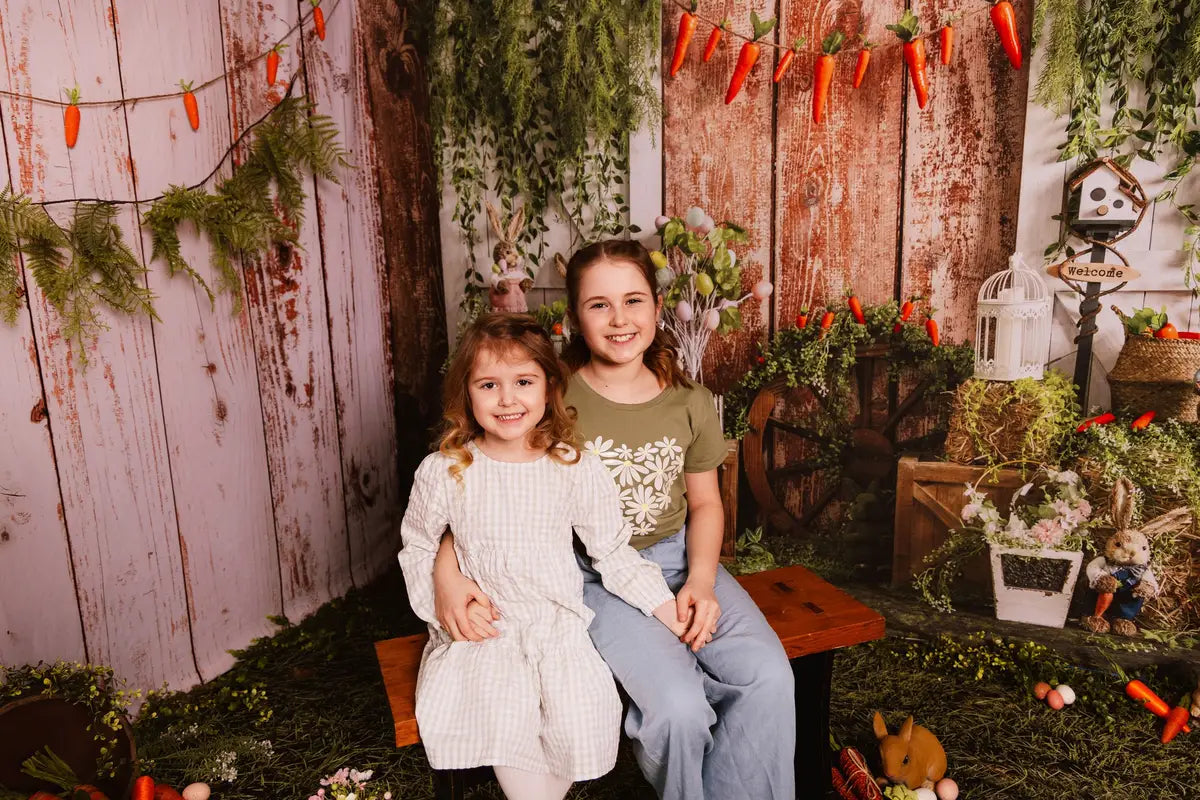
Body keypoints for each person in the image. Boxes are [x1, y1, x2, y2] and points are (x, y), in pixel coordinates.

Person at [432, 240, 796, 800]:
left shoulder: (691, 401)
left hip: (679, 560)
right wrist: (447, 574)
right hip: (586, 575)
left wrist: (701, 581)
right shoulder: (548, 394)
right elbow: (476, 487)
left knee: (768, 676)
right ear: (575, 317)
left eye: (633, 300)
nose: (619, 319)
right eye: (599, 305)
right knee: (677, 708)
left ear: (657, 306)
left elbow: (705, 503)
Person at [398, 312, 688, 800]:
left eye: (523, 382)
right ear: (466, 392)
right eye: (488, 385)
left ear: (549, 387)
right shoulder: (447, 470)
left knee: (580, 718)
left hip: (557, 630)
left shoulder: (572, 467)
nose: (507, 399)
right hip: (487, 632)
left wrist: (666, 608)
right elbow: (420, 544)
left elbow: (611, 552)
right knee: (507, 721)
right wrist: (442, 603)